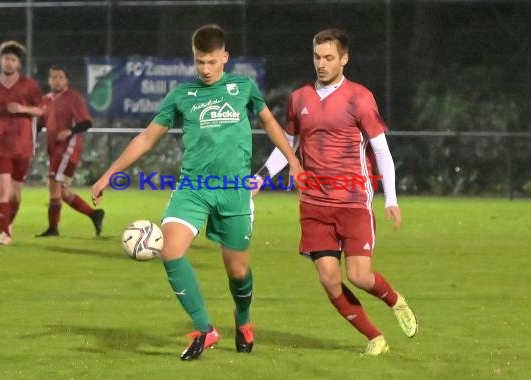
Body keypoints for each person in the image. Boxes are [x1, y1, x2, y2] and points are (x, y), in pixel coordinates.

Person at [91, 24, 302, 360]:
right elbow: (146, 138)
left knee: (238, 272)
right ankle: (205, 329)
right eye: (199, 62)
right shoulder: (181, 96)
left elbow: (270, 123)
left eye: (211, 62)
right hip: (193, 187)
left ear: (225, 58)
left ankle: (243, 319)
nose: (205, 69)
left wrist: (293, 161)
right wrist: (107, 175)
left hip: (234, 190)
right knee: (170, 251)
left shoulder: (243, 87)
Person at [255, 28, 418, 355]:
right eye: (317, 56)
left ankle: (395, 300)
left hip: (353, 201)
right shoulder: (299, 98)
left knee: (359, 275)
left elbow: (382, 151)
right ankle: (375, 337)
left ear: (344, 59)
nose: (321, 63)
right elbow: (288, 147)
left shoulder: (360, 97)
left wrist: (392, 199)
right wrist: (259, 178)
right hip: (314, 204)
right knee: (329, 279)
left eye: (329, 57)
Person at [0, 41, 44, 245]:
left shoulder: (29, 85)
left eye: (13, 59)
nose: (9, 63)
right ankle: (4, 234)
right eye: (6, 58)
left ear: (18, 63)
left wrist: (23, 109)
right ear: (1, 61)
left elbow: (40, 110)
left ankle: (7, 224)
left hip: (23, 145)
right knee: (2, 191)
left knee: (16, 195)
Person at [35, 66, 104, 237]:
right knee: (62, 191)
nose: (56, 80)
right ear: (49, 80)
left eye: (60, 77)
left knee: (53, 182)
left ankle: (53, 228)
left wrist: (70, 131)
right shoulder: (46, 100)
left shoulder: (73, 98)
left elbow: (86, 123)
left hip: (68, 148)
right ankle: (94, 214)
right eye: (53, 77)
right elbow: (39, 124)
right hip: (54, 149)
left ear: (66, 81)